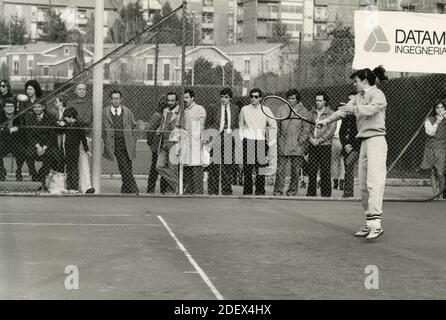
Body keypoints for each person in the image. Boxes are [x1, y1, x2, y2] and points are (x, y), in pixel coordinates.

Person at [317, 66, 388, 240]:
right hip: (363, 142)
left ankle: (376, 224)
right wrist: (325, 121)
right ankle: (370, 221)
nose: (354, 84)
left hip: (377, 141)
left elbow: (371, 110)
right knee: (363, 185)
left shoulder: (378, 94)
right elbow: (342, 111)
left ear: (364, 80)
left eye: (355, 81)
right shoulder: (357, 97)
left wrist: (354, 109)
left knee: (374, 182)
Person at [239, 88, 277, 195]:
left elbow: (273, 125)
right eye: (251, 96)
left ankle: (260, 191)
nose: (253, 99)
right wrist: (243, 138)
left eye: (256, 97)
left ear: (260, 98)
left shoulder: (266, 110)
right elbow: (241, 125)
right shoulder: (244, 109)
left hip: (261, 142)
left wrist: (269, 141)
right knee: (248, 169)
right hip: (248, 141)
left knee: (261, 169)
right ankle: (247, 192)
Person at [273, 89, 310, 196]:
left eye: (293, 98)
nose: (290, 100)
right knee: (280, 170)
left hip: (297, 146)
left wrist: (300, 141)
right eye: (289, 98)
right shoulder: (281, 109)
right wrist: (279, 140)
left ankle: (292, 191)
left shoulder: (304, 111)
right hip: (283, 144)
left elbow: (306, 128)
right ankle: (278, 191)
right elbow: (277, 126)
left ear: (297, 99)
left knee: (295, 170)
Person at [102, 90, 139, 194]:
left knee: (128, 166)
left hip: (127, 143)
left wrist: (133, 140)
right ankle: (134, 189)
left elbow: (134, 126)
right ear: (110, 100)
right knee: (123, 165)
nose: (115, 100)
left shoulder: (127, 111)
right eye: (113, 98)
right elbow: (103, 130)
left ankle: (125, 190)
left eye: (117, 98)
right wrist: (107, 141)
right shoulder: (105, 112)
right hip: (115, 144)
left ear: (121, 99)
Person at [205, 88, 239, 195]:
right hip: (216, 138)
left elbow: (236, 124)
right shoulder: (213, 107)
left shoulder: (235, 108)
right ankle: (213, 191)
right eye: (222, 97)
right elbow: (208, 123)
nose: (223, 99)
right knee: (214, 166)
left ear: (230, 98)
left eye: (226, 97)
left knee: (227, 167)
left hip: (229, 138)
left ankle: (227, 190)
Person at [24, 101, 64, 191]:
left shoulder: (51, 117)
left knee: (51, 156)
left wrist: (45, 147)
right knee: (28, 154)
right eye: (35, 107)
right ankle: (34, 174)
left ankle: (41, 176)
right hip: (35, 144)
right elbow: (29, 135)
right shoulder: (29, 117)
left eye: (39, 107)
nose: (37, 109)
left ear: (43, 107)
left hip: (48, 144)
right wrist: (38, 146)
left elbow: (52, 134)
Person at [306, 92, 336, 197]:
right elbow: (307, 128)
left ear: (325, 101)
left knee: (325, 170)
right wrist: (311, 139)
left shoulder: (331, 114)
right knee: (312, 170)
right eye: (316, 100)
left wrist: (318, 140)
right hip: (312, 145)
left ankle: (326, 194)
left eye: (320, 100)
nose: (317, 102)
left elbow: (330, 131)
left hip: (325, 146)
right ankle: (311, 194)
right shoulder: (311, 113)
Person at [67, 83, 95, 193]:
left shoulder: (90, 103)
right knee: (71, 162)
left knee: (84, 161)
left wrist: (76, 120)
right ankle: (71, 186)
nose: (82, 91)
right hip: (72, 136)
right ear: (75, 91)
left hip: (84, 135)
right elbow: (68, 118)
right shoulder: (70, 103)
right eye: (79, 89)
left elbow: (88, 120)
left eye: (84, 89)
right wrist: (79, 121)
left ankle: (86, 187)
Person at [58, 107, 90, 192]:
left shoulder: (79, 126)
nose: (68, 119)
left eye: (70, 117)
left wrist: (87, 150)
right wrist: (61, 125)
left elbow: (83, 139)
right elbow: (59, 131)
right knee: (68, 168)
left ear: (74, 117)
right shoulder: (65, 126)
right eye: (66, 117)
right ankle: (69, 186)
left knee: (74, 168)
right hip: (66, 149)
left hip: (75, 150)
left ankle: (75, 187)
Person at [420, 98, 446, 199]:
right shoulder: (430, 120)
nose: (440, 110)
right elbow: (430, 132)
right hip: (430, 147)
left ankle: (441, 194)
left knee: (440, 172)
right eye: (438, 108)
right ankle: (435, 194)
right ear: (435, 109)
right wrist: (437, 122)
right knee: (431, 171)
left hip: (442, 148)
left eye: (442, 108)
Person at [182, 89, 206, 195]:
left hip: (196, 142)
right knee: (186, 167)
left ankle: (198, 192)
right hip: (185, 142)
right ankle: (188, 190)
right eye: (184, 98)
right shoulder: (182, 110)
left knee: (196, 168)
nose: (185, 100)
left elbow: (200, 126)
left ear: (192, 98)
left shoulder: (199, 109)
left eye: (187, 98)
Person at [156, 91, 181, 194]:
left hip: (174, 144)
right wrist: (159, 129)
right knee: (159, 166)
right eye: (169, 100)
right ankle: (178, 184)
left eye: (172, 100)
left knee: (172, 168)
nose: (170, 102)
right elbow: (162, 125)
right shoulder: (165, 111)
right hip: (164, 143)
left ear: (176, 101)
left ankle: (172, 191)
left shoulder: (180, 112)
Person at [339, 92, 360, 198]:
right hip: (346, 147)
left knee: (349, 163)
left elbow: (361, 133)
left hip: (357, 147)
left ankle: (348, 191)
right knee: (348, 167)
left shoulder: (360, 117)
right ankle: (348, 192)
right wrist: (345, 145)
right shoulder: (346, 117)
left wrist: (352, 146)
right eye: (349, 100)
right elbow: (341, 132)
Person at [146, 96, 169, 193]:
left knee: (162, 168)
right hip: (157, 146)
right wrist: (151, 142)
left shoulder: (167, 115)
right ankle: (151, 189)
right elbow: (150, 130)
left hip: (164, 146)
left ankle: (162, 190)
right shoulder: (158, 116)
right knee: (155, 168)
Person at [0, 98, 27, 181]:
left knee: (22, 151)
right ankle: (2, 170)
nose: (10, 108)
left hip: (16, 141)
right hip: (3, 141)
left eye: (12, 106)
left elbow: (22, 130)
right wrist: (11, 130)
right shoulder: (0, 116)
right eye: (7, 106)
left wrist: (4, 131)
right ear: (4, 108)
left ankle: (18, 171)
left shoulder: (19, 116)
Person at [331, 110, 345, 191]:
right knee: (343, 161)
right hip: (343, 141)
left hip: (335, 140)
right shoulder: (346, 120)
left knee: (335, 161)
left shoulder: (334, 120)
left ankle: (335, 182)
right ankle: (342, 182)